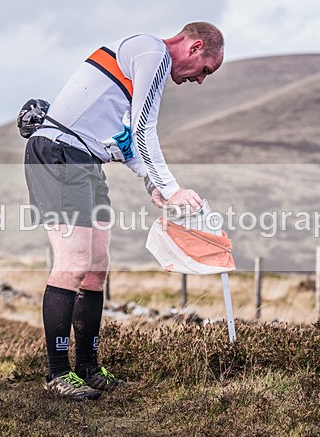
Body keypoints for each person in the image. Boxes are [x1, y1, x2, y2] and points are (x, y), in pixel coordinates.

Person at [23, 22, 224, 400]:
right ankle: (56, 374)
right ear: (195, 47)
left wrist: (152, 186)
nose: (200, 80)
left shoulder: (148, 64)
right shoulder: (151, 52)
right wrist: (171, 188)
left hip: (85, 159)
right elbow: (146, 128)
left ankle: (86, 367)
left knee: (97, 268)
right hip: (59, 153)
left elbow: (128, 140)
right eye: (205, 71)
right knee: (73, 261)